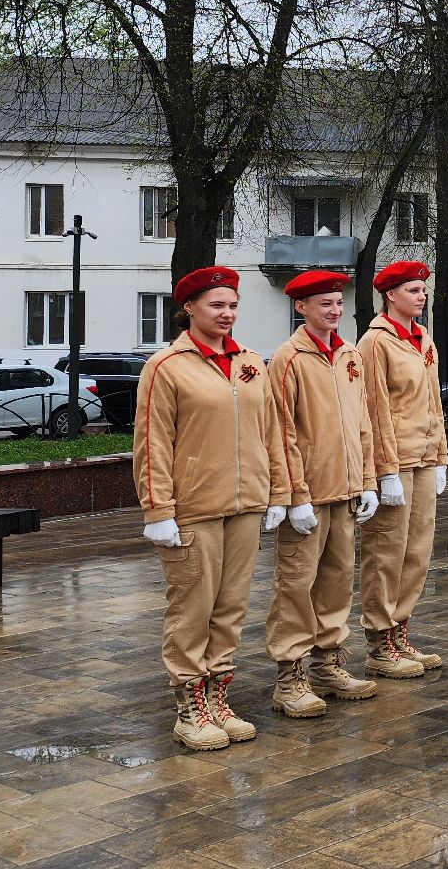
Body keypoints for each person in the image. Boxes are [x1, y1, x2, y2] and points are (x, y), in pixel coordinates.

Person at [134, 266, 289, 751]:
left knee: (230, 608)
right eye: (216, 305)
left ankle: (218, 695)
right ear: (190, 309)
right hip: (193, 509)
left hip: (245, 504)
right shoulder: (167, 366)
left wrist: (278, 493)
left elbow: (273, 433)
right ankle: (189, 705)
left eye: (233, 305)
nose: (227, 314)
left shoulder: (250, 363)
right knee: (192, 609)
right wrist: (158, 509)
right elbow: (152, 443)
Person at [265, 270, 381, 717]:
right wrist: (295, 494)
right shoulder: (288, 359)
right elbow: (282, 431)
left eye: (337, 303)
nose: (334, 311)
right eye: (324, 304)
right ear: (301, 308)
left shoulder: (350, 353)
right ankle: (290, 675)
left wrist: (368, 480)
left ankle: (327, 662)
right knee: (296, 584)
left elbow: (363, 424)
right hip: (309, 494)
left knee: (337, 582)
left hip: (346, 490)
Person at [356, 260, 448, 678]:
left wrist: (442, 455)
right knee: (386, 552)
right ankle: (379, 640)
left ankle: (400, 629)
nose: (421, 296)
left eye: (422, 291)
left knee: (418, 551)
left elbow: (434, 402)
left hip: (425, 456)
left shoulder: (422, 338)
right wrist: (385, 469)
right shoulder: (376, 341)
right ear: (390, 295)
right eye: (413, 290)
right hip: (395, 461)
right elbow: (373, 406)